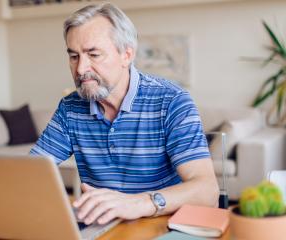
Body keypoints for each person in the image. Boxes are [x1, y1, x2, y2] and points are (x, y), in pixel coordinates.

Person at [30, 3, 219, 226]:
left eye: (93, 54)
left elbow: (207, 191)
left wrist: (138, 203)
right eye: (74, 56)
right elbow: (32, 174)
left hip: (159, 227)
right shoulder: (70, 108)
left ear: (126, 55)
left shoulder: (172, 101)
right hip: (99, 229)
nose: (81, 69)